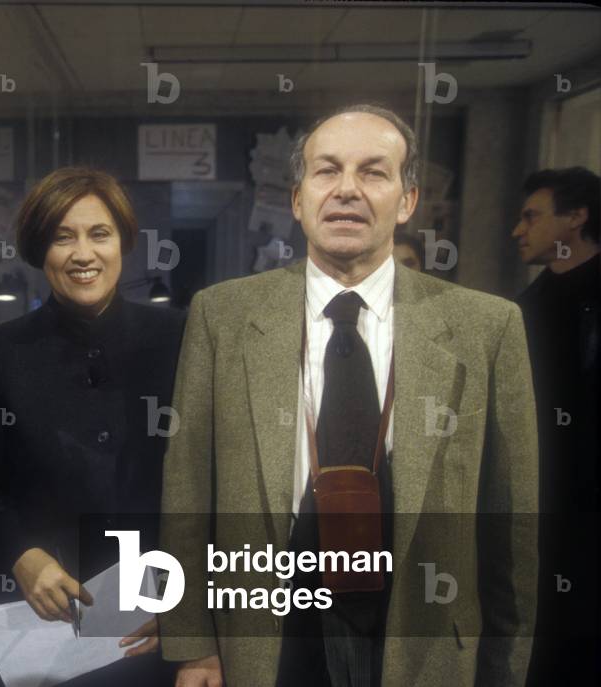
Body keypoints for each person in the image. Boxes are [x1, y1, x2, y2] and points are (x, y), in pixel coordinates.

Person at [160, 104, 537, 687]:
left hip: (423, 638)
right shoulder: (222, 315)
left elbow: (512, 522)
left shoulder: (487, 327)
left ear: (407, 200)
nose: (347, 190)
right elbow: (187, 487)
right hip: (267, 635)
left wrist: (506, 670)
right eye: (327, 170)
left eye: (374, 172)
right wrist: (192, 647)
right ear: (297, 198)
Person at [0, 167, 184, 686]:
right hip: (43, 626)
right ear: (40, 250)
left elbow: (208, 486)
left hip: (156, 621)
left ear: (123, 243)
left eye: (99, 234)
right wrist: (21, 556)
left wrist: (186, 607)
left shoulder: (180, 337)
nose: (83, 254)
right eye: (63, 237)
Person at [512, 167, 599, 686]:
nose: (518, 230)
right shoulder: (523, 311)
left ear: (576, 217)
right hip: (544, 511)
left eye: (531, 216)